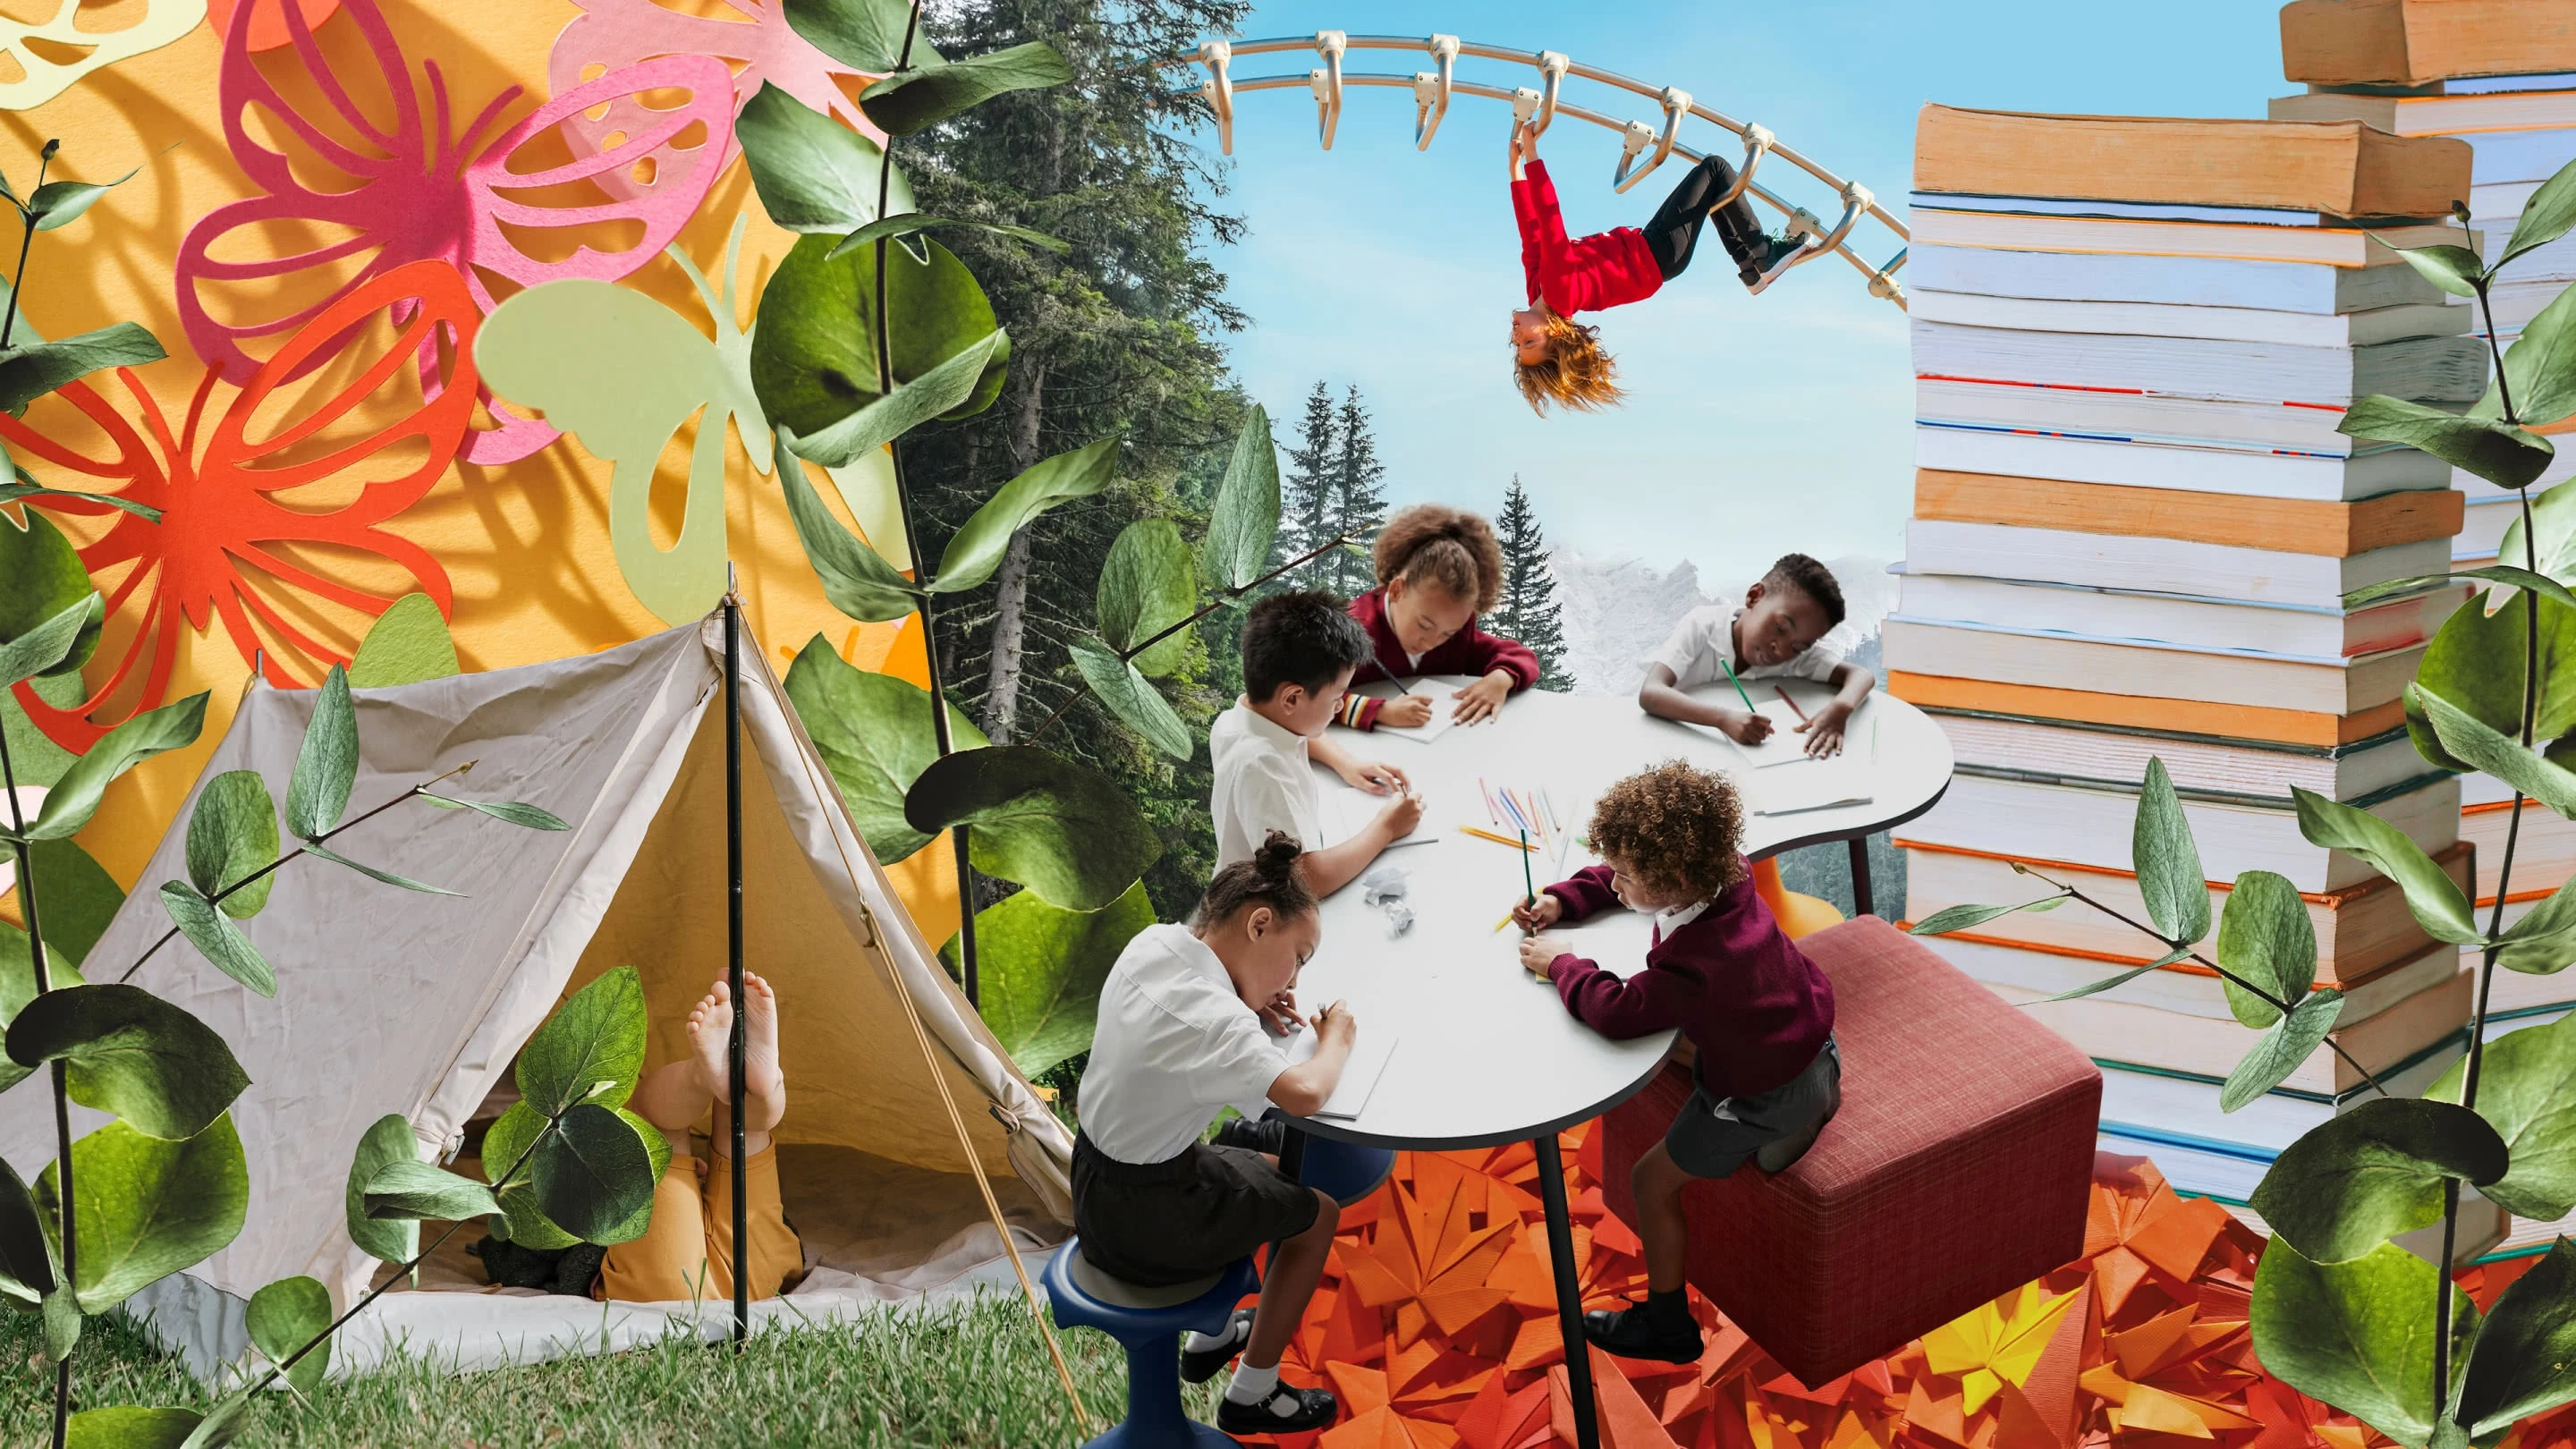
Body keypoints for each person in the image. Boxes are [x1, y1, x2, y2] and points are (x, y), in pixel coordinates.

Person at [1511, 763, 1839, 1364]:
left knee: (1649, 1181)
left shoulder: (1693, 965)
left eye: (1628, 878)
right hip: (1804, 1039)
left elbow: (1617, 1009)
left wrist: (1561, 963)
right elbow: (1620, 872)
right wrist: (1565, 898)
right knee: (1672, 1048)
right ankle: (1798, 1106)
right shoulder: (1728, 869)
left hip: (1769, 1093)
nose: (1615, 886)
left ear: (1674, 877)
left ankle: (1669, 1326)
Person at [1075, 835, 1355, 1435]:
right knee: (1317, 1215)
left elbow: (1185, 1031)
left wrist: (1251, 1004)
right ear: (1260, 924)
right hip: (1146, 1222)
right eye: (1299, 957)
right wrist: (1337, 1040)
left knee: (1243, 1145)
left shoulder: (1153, 945)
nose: (1296, 976)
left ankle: (1214, 1336)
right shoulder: (1216, 1023)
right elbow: (1305, 1092)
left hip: (1094, 1181)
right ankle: (1253, 1393)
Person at [1508, 120, 1805, 415]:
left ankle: (1751, 269)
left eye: (1518, 344)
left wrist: (1515, 170)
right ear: (1555, 333)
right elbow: (1549, 221)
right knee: (1715, 168)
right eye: (1530, 341)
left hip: (1649, 245)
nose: (1518, 335)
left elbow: (1530, 233)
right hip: (1660, 253)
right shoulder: (1559, 292)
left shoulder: (1537, 288)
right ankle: (1763, 253)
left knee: (1713, 189)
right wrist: (1533, 154)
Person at [593, 974, 804, 1305]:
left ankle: (703, 1076)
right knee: (741, 1131)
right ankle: (760, 1085)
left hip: (666, 1289)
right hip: (762, 1272)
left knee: (653, 1124)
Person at [1215, 589, 1425, 897]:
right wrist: (1387, 828)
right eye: (1337, 698)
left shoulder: (1241, 718)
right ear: (1292, 698)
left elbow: (1298, 727)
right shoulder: (1261, 766)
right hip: (1268, 907)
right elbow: (1306, 880)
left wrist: (1346, 763)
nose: (1339, 708)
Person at [1637, 553, 1873, 758]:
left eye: (1799, 646)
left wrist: (1840, 709)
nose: (1781, 650)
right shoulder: (1703, 625)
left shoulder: (1794, 657)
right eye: (1780, 628)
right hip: (1663, 739)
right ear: (1754, 596)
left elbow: (1861, 675)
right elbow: (1651, 694)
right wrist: (1723, 719)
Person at [1334, 504, 1541, 732]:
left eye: (1449, 633)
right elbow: (1304, 695)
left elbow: (1520, 656)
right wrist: (1380, 711)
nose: (1433, 642)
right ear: (1396, 591)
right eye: (1424, 625)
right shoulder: (1352, 629)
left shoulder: (1459, 635)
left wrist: (1501, 679)